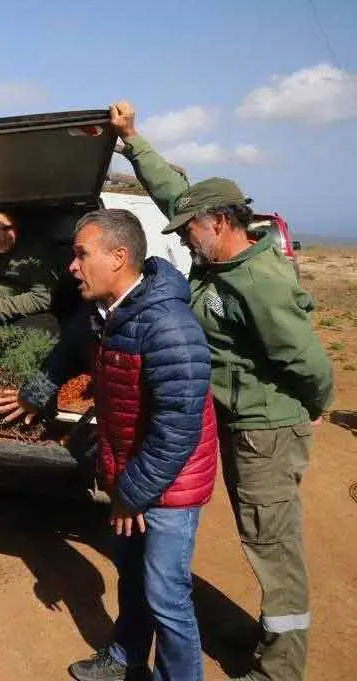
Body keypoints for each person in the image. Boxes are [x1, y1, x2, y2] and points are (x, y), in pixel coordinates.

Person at [111, 101, 335, 681]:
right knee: (250, 529)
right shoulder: (215, 261)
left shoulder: (258, 280)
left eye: (190, 229)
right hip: (234, 420)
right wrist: (134, 141)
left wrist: (311, 408)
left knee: (271, 542)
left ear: (221, 222)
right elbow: (173, 193)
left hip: (265, 429)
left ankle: (280, 668)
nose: (183, 238)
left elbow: (306, 359)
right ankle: (264, 633)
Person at [0, 209, 219, 681]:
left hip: (169, 482)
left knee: (167, 595)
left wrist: (132, 491)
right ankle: (125, 658)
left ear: (118, 258)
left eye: (82, 254)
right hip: (129, 472)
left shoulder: (169, 327)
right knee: (133, 579)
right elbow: (67, 349)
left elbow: (177, 429)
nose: (72, 266)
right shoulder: (104, 313)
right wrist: (37, 393)